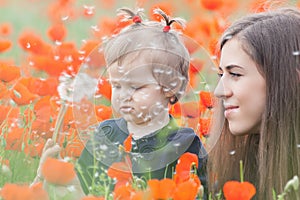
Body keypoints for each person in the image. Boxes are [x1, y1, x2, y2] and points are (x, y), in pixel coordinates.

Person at [33, 7, 207, 199]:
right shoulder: (103, 136)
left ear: (171, 88)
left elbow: (204, 193)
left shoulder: (186, 144)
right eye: (116, 85)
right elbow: (82, 192)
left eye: (136, 87)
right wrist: (58, 175)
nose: (123, 96)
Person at [207, 7, 300, 199]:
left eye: (235, 74)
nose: (219, 92)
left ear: (289, 80)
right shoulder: (239, 175)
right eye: (221, 75)